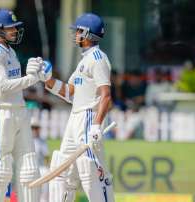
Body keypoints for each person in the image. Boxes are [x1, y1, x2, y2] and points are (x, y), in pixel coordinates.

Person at [37, 13, 115, 201]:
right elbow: (69, 93)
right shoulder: (83, 61)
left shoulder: (98, 58)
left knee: (90, 170)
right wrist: (47, 80)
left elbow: (106, 95)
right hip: (76, 117)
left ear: (88, 34)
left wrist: (97, 125)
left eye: (79, 31)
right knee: (63, 169)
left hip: (89, 117)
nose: (75, 34)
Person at [0, 9, 41, 202]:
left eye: (15, 27)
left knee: (29, 167)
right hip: (2, 113)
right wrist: (31, 79)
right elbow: (4, 86)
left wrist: (34, 74)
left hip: (19, 111)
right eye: (10, 28)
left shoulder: (11, 51)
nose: (15, 31)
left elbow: (16, 85)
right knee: (1, 170)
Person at [31, 117, 49, 202]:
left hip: (40, 168)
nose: (34, 130)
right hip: (30, 168)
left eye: (36, 128)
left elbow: (46, 157)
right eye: (33, 128)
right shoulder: (27, 141)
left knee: (45, 172)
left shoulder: (42, 141)